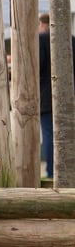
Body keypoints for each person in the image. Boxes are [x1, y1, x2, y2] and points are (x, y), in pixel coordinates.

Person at [38, 12, 75, 179]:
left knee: (49, 134)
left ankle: (52, 172)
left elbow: (39, 66)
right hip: (70, 94)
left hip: (47, 95)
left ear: (43, 24)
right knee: (69, 134)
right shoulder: (71, 39)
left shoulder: (42, 38)